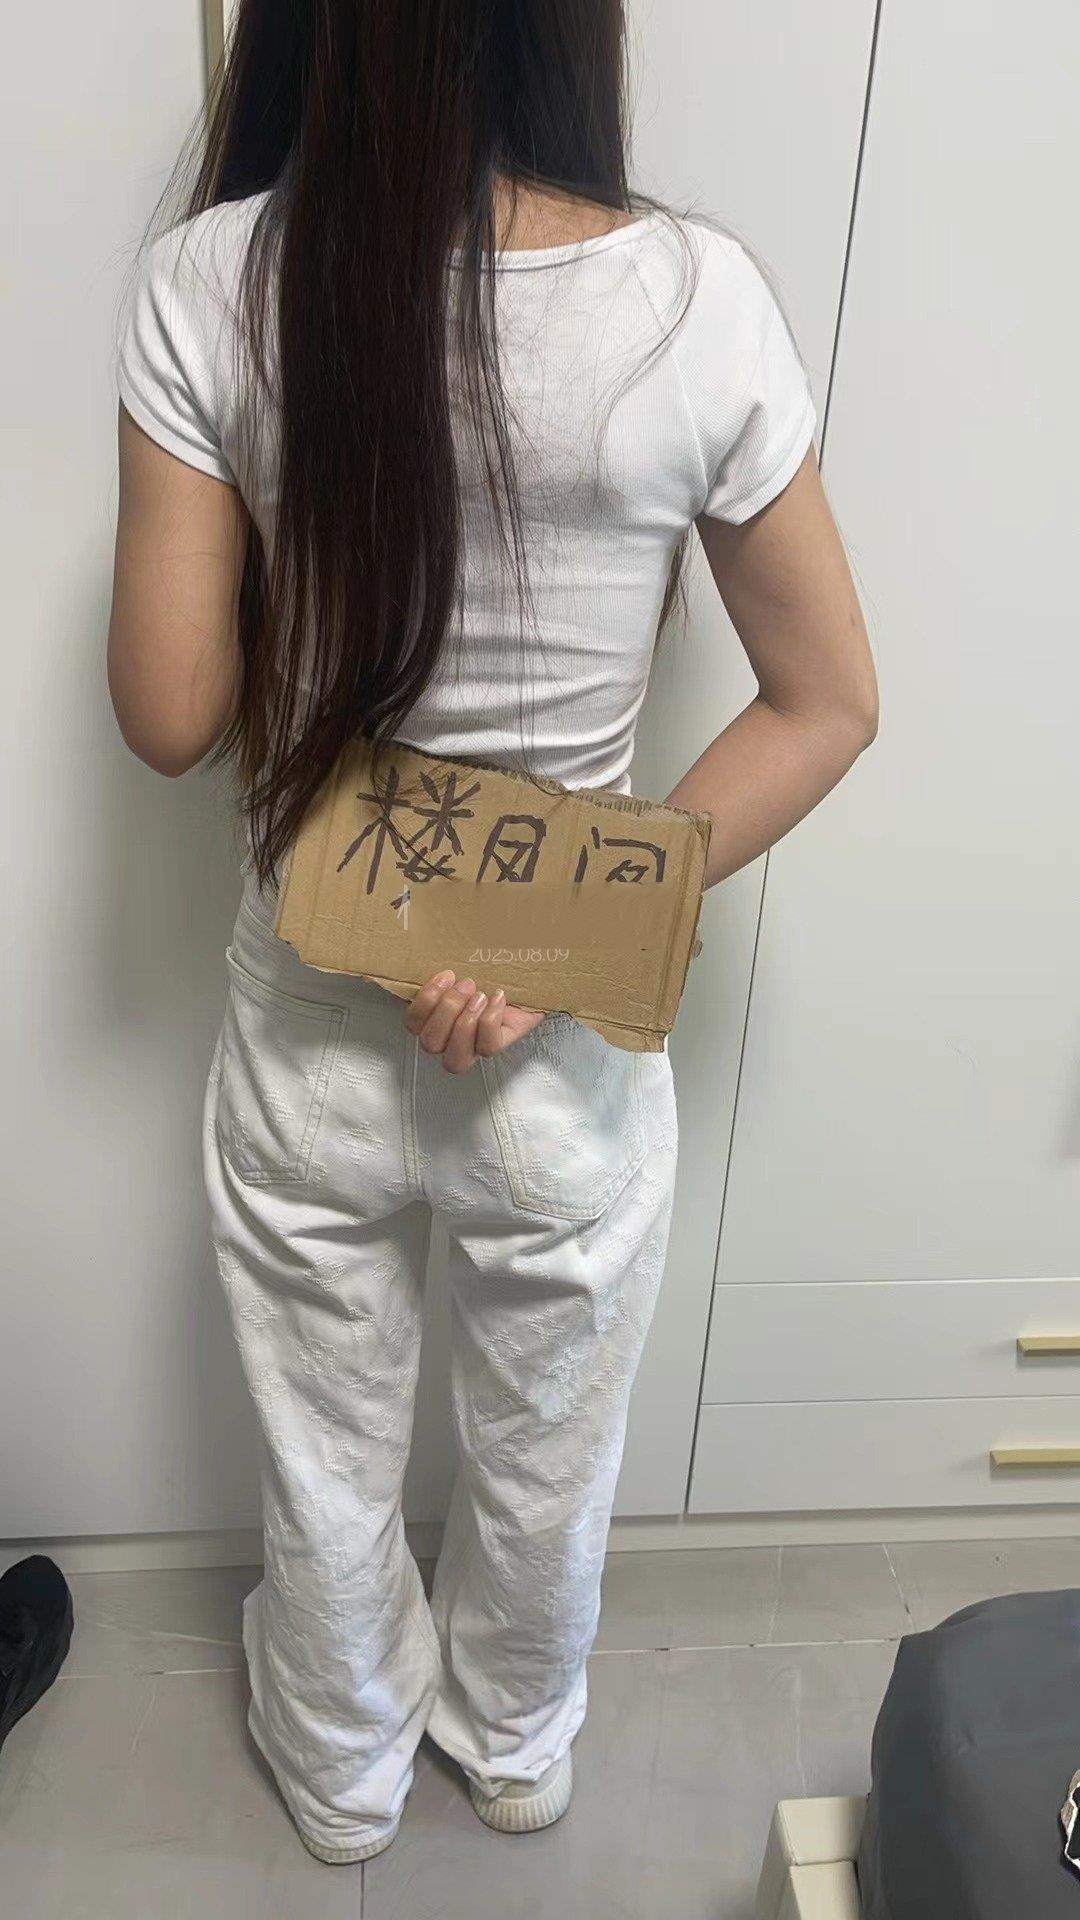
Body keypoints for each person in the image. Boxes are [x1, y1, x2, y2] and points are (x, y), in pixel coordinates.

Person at [106, 0, 878, 1868]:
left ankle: (343, 1768)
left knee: (325, 1446)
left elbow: (170, 712)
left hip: (312, 1012)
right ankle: (515, 1746)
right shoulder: (696, 300)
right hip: (561, 1056)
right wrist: (554, 936)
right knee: (549, 1459)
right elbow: (827, 703)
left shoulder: (210, 282)